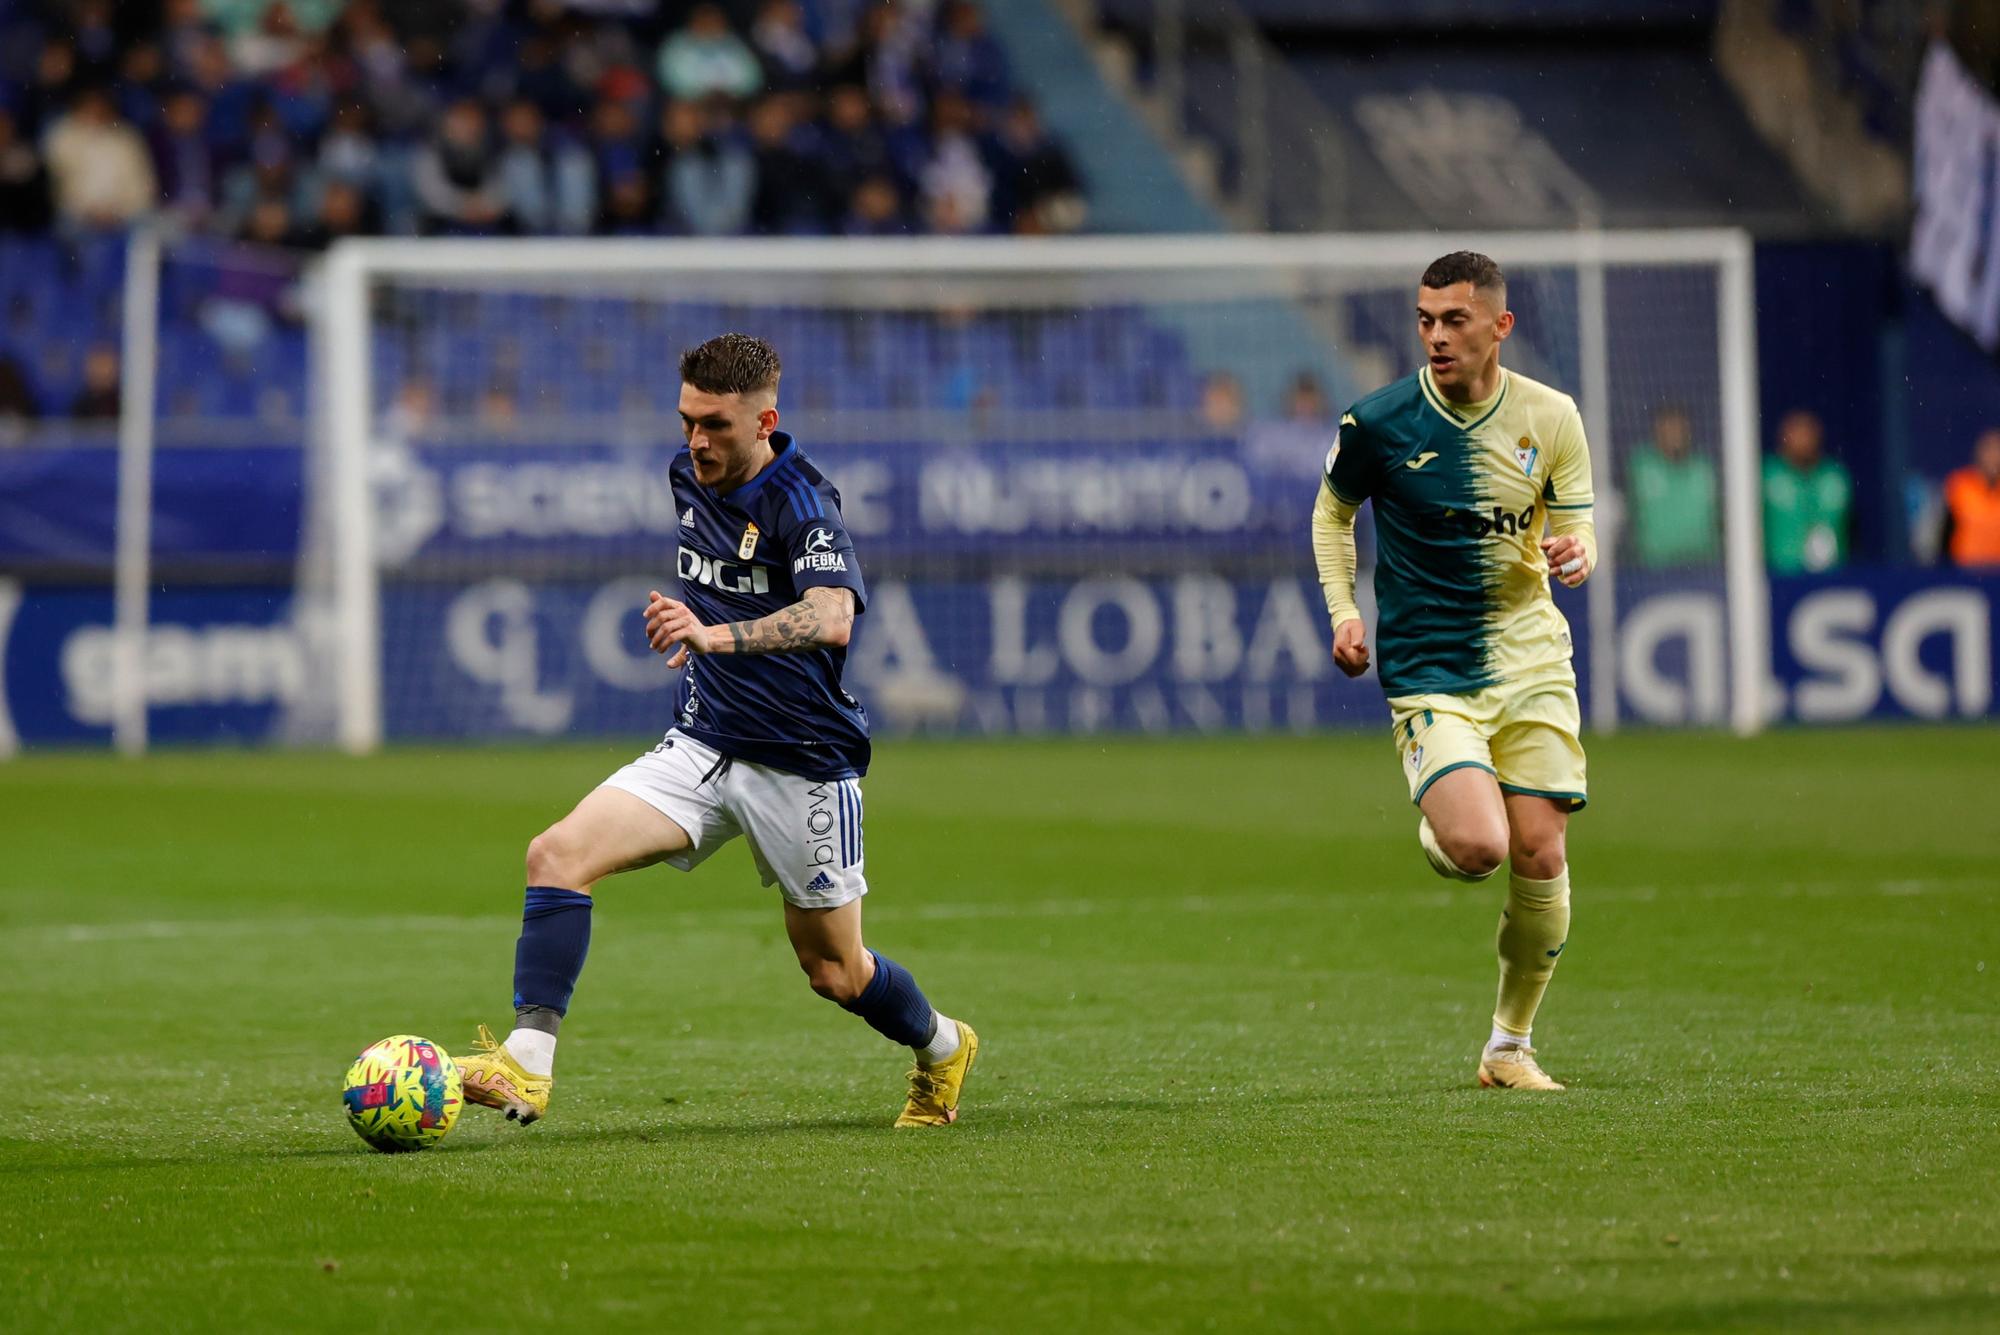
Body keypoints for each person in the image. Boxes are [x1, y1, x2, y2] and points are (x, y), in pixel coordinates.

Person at [455, 333, 978, 1131]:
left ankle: (942, 1045)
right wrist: (691, 619)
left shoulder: (804, 502)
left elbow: (832, 616)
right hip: (702, 745)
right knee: (555, 855)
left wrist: (713, 635)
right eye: (687, 421)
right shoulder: (686, 476)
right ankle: (527, 1064)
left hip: (800, 761)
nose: (696, 440)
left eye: (716, 425)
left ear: (765, 420)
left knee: (835, 971)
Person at [1313, 252, 1595, 1092]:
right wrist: (1344, 611)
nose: (1435, 336)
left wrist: (1578, 553)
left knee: (1540, 851)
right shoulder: (1379, 422)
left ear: (1499, 326)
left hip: (1531, 654)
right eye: (1425, 320)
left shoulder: (1552, 417)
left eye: (1454, 320)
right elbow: (1332, 514)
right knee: (1479, 846)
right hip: (1430, 659)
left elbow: (1578, 525)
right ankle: (1450, 817)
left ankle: (1509, 1046)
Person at [1626, 404, 1718, 570]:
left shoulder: (1703, 468)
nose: (1674, 435)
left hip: (1703, 566)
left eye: (1678, 428)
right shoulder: (1640, 466)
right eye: (1668, 428)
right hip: (1652, 569)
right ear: (1657, 431)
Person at [1762, 409, 1850, 573]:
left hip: (1831, 573)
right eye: (1797, 432)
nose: (1803, 440)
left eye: (1807, 432)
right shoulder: (1766, 475)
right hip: (1778, 574)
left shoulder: (1834, 476)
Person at [1941, 427, 2000, 568]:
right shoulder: (1960, 485)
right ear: (1979, 454)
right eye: (1989, 451)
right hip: (1965, 570)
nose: (1994, 457)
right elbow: (1946, 530)